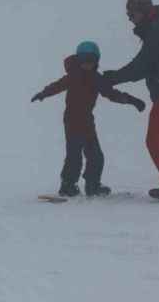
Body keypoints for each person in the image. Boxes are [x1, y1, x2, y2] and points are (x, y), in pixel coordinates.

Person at [32, 42, 146, 197]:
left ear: (96, 61)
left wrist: (132, 100)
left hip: (87, 121)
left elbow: (112, 94)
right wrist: (43, 94)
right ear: (78, 60)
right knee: (74, 155)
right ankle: (68, 185)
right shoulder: (73, 76)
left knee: (96, 156)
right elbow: (57, 86)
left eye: (91, 60)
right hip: (72, 121)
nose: (87, 64)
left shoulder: (97, 79)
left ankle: (93, 185)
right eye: (84, 60)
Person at [103, 0, 159, 199]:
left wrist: (114, 77)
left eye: (131, 14)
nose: (130, 19)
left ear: (143, 10)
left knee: (157, 140)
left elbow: (143, 65)